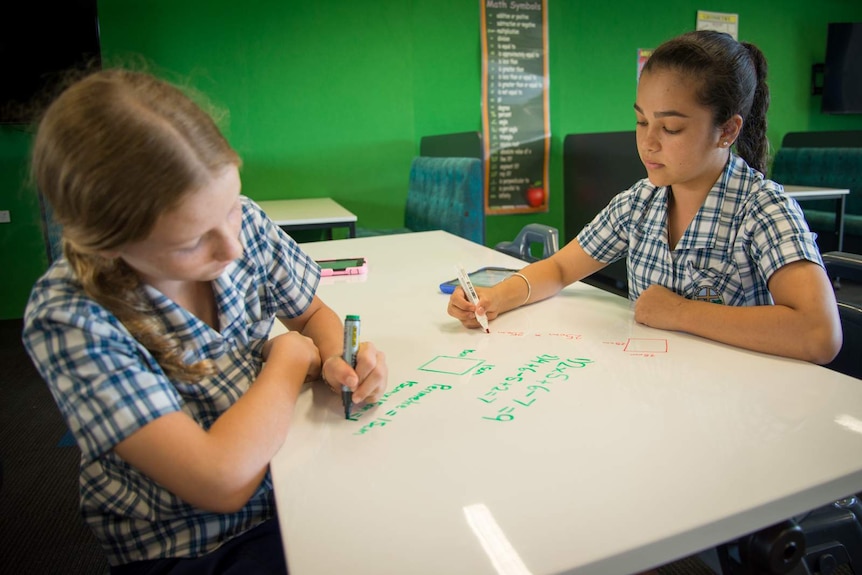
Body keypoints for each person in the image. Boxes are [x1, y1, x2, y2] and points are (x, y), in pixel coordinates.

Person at [22, 68, 388, 574]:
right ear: (108, 244)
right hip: (190, 542)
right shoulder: (70, 317)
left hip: (290, 478)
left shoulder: (244, 224)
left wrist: (336, 357)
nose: (232, 247)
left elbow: (311, 314)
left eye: (232, 208)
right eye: (191, 241)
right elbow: (220, 482)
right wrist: (289, 357)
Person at [450, 30, 842, 365]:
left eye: (670, 128)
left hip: (733, 406)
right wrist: (495, 297)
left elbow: (819, 333)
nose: (648, 142)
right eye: (641, 121)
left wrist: (681, 312)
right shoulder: (640, 202)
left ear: (727, 131)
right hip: (653, 387)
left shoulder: (762, 209)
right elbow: (559, 269)